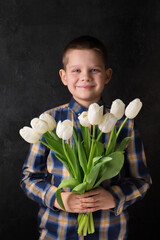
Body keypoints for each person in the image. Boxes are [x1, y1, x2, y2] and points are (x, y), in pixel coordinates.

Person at [21, 36, 151, 240]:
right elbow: (29, 178)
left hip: (109, 232)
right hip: (57, 232)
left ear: (107, 75)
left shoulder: (123, 124)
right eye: (76, 70)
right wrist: (58, 198)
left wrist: (114, 197)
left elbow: (141, 180)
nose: (85, 77)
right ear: (63, 77)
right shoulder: (48, 122)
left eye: (94, 70)